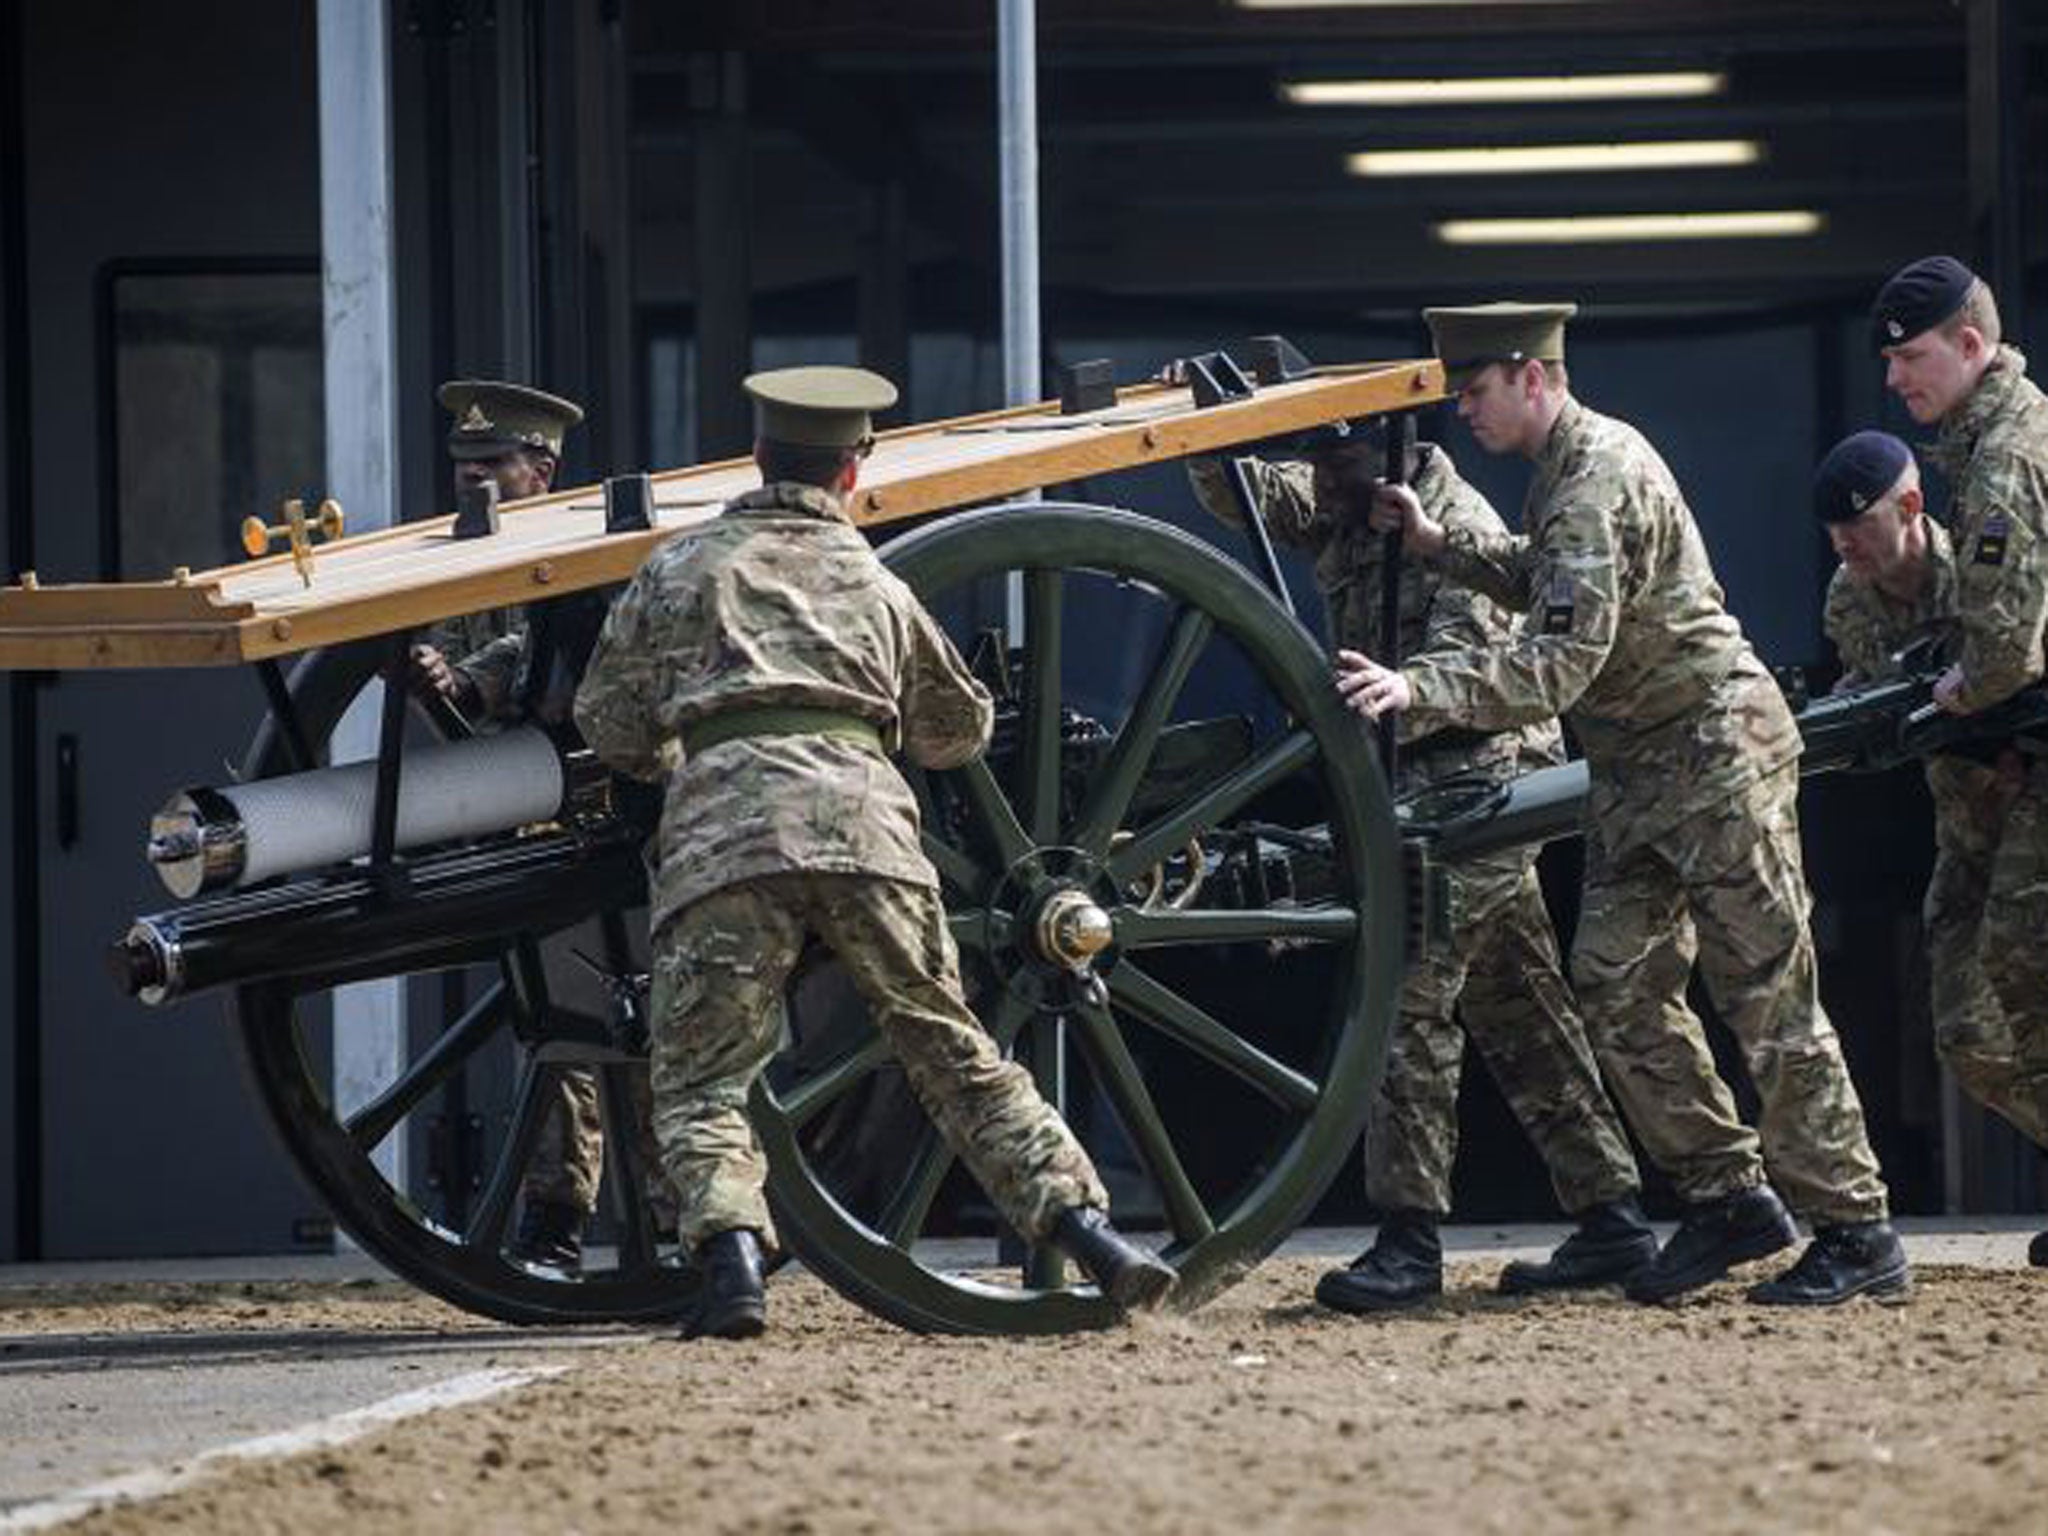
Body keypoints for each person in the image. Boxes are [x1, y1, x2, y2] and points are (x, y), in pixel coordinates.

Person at [572, 364, 1176, 1339]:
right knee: (950, 1048)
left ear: (759, 458)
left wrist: (684, 749)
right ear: (852, 474)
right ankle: (1090, 1234)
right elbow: (956, 731)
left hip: (724, 845)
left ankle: (732, 1267)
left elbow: (606, 724)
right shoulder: (873, 580)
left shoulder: (680, 569)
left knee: (701, 1076)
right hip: (870, 841)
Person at [1339, 303, 1905, 1306]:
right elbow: (1549, 586)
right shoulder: (1561, 473)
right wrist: (1440, 546)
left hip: (1713, 753)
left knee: (1764, 995)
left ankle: (1855, 1230)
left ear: (1529, 375)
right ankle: (1727, 1196)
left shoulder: (1595, 475)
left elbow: (1558, 660)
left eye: (1472, 391)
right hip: (1639, 769)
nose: (1462, 412)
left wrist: (1418, 688)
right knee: (1611, 984)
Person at [1185, 431, 1652, 1312]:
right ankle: (1613, 1215)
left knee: (1408, 993)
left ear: (1390, 452)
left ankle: (1410, 1241)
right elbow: (1256, 497)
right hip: (1416, 792)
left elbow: (1474, 677)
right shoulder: (1347, 499)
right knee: (1522, 1010)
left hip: (1482, 792)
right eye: (1312, 463)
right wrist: (1208, 428)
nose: (1316, 481)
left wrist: (1402, 693)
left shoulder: (1454, 525)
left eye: (1333, 462)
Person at [408, 379, 657, 1273]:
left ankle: (668, 1215)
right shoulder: (452, 565)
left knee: (640, 1017)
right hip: (517, 817)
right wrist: (447, 686)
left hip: (612, 815)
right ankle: (554, 1218)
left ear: (542, 470)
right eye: (464, 470)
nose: (474, 485)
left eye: (494, 467)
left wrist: (482, 678)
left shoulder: (599, 560)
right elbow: (464, 723)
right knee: (555, 1029)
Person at [1872, 255, 2048, 1267]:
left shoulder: (2003, 457)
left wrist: (1956, 696)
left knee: (2016, 966)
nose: (1896, 379)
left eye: (1910, 356)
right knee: (1989, 988)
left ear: (1969, 347)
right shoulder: (1994, 439)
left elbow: (2002, 642)